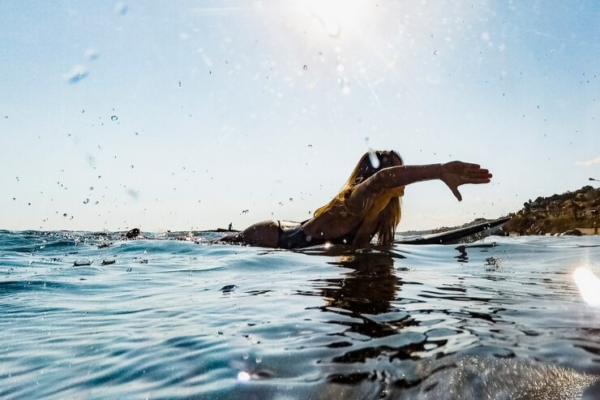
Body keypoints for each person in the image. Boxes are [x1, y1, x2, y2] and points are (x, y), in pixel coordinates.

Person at [218, 150, 492, 249]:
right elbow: (382, 180)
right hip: (275, 237)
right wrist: (439, 171)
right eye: (397, 170)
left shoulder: (384, 214)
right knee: (216, 246)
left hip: (296, 233)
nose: (402, 176)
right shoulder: (353, 202)